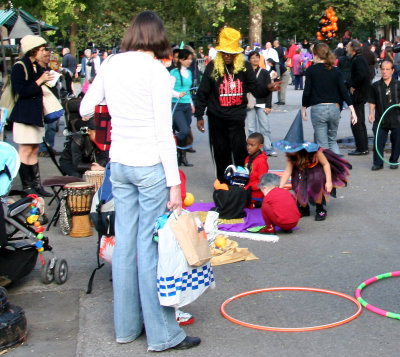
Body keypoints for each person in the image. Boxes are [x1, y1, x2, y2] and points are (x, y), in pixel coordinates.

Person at [79, 11, 200, 351]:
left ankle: (126, 328)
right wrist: (174, 182)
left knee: (125, 244)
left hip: (119, 163)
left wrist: (116, 104)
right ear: (158, 37)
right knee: (149, 250)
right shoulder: (157, 73)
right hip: (149, 166)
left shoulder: (111, 64)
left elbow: (85, 108)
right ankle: (163, 334)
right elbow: (164, 132)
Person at [194, 27, 280, 183]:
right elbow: (202, 93)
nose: (227, 56)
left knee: (240, 152)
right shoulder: (212, 67)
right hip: (217, 118)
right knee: (221, 152)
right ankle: (223, 183)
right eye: (224, 53)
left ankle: (240, 182)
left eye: (231, 53)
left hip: (237, 118)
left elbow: (255, 88)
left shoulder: (244, 67)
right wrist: (199, 115)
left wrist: (268, 88)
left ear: (237, 53)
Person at [274, 112, 351, 221]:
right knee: (297, 185)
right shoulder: (290, 155)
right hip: (300, 171)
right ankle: (304, 207)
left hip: (314, 170)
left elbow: (325, 164)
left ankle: (320, 208)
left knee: (315, 184)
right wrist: (280, 187)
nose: (289, 151)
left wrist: (328, 181)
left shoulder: (313, 150)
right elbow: (288, 171)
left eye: (291, 149)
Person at [11, 35, 55, 197]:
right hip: (23, 116)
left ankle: (36, 185)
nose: (45, 52)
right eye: (42, 49)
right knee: (25, 150)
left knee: (34, 149)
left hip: (35, 115)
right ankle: (27, 186)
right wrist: (39, 81)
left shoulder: (36, 66)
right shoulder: (19, 66)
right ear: (33, 50)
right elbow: (21, 91)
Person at [302, 43, 357, 155]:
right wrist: (352, 110)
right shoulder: (336, 71)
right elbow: (343, 91)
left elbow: (307, 91)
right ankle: (339, 167)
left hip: (318, 109)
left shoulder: (311, 70)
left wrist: (304, 108)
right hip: (334, 108)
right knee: (332, 140)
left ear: (316, 55)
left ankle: (328, 170)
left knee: (322, 144)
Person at [368, 60, 400, 170]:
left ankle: (394, 160)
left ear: (392, 71)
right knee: (378, 141)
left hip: (396, 119)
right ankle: (378, 163)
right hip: (380, 119)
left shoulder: (398, 85)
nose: (385, 72)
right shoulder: (376, 86)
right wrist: (371, 113)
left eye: (387, 69)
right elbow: (372, 101)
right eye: (383, 69)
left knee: (397, 141)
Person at [245, 51, 275, 156]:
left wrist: (268, 105)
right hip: (250, 103)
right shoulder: (246, 72)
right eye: (253, 58)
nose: (255, 59)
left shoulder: (264, 73)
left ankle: (268, 148)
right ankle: (252, 149)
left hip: (262, 103)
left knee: (265, 127)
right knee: (250, 128)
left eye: (257, 57)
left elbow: (269, 89)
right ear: (249, 60)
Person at [170, 49, 194, 167]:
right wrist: (177, 94)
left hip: (186, 104)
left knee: (185, 130)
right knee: (183, 130)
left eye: (190, 59)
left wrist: (191, 104)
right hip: (176, 104)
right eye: (187, 59)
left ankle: (182, 156)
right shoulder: (174, 73)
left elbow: (188, 91)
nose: (189, 61)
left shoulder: (189, 73)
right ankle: (171, 145)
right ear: (180, 60)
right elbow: (168, 89)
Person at [347, 39, 371, 155]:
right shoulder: (358, 58)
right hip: (361, 93)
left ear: (353, 48)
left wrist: (353, 85)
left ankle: (362, 148)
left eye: (348, 46)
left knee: (356, 121)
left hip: (359, 94)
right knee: (359, 120)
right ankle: (363, 146)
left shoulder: (358, 59)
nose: (347, 48)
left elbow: (361, 75)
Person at [38, 47, 62, 158]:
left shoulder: (49, 68)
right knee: (45, 127)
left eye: (49, 56)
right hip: (43, 99)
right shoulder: (37, 70)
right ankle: (42, 149)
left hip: (52, 98)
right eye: (46, 56)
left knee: (52, 125)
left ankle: (49, 147)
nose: (48, 58)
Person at [244, 133, 269, 208]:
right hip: (248, 189)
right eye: (247, 145)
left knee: (235, 199)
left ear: (260, 146)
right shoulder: (248, 158)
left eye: (252, 145)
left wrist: (247, 187)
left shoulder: (261, 161)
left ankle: (258, 204)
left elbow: (262, 182)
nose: (249, 147)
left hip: (256, 193)